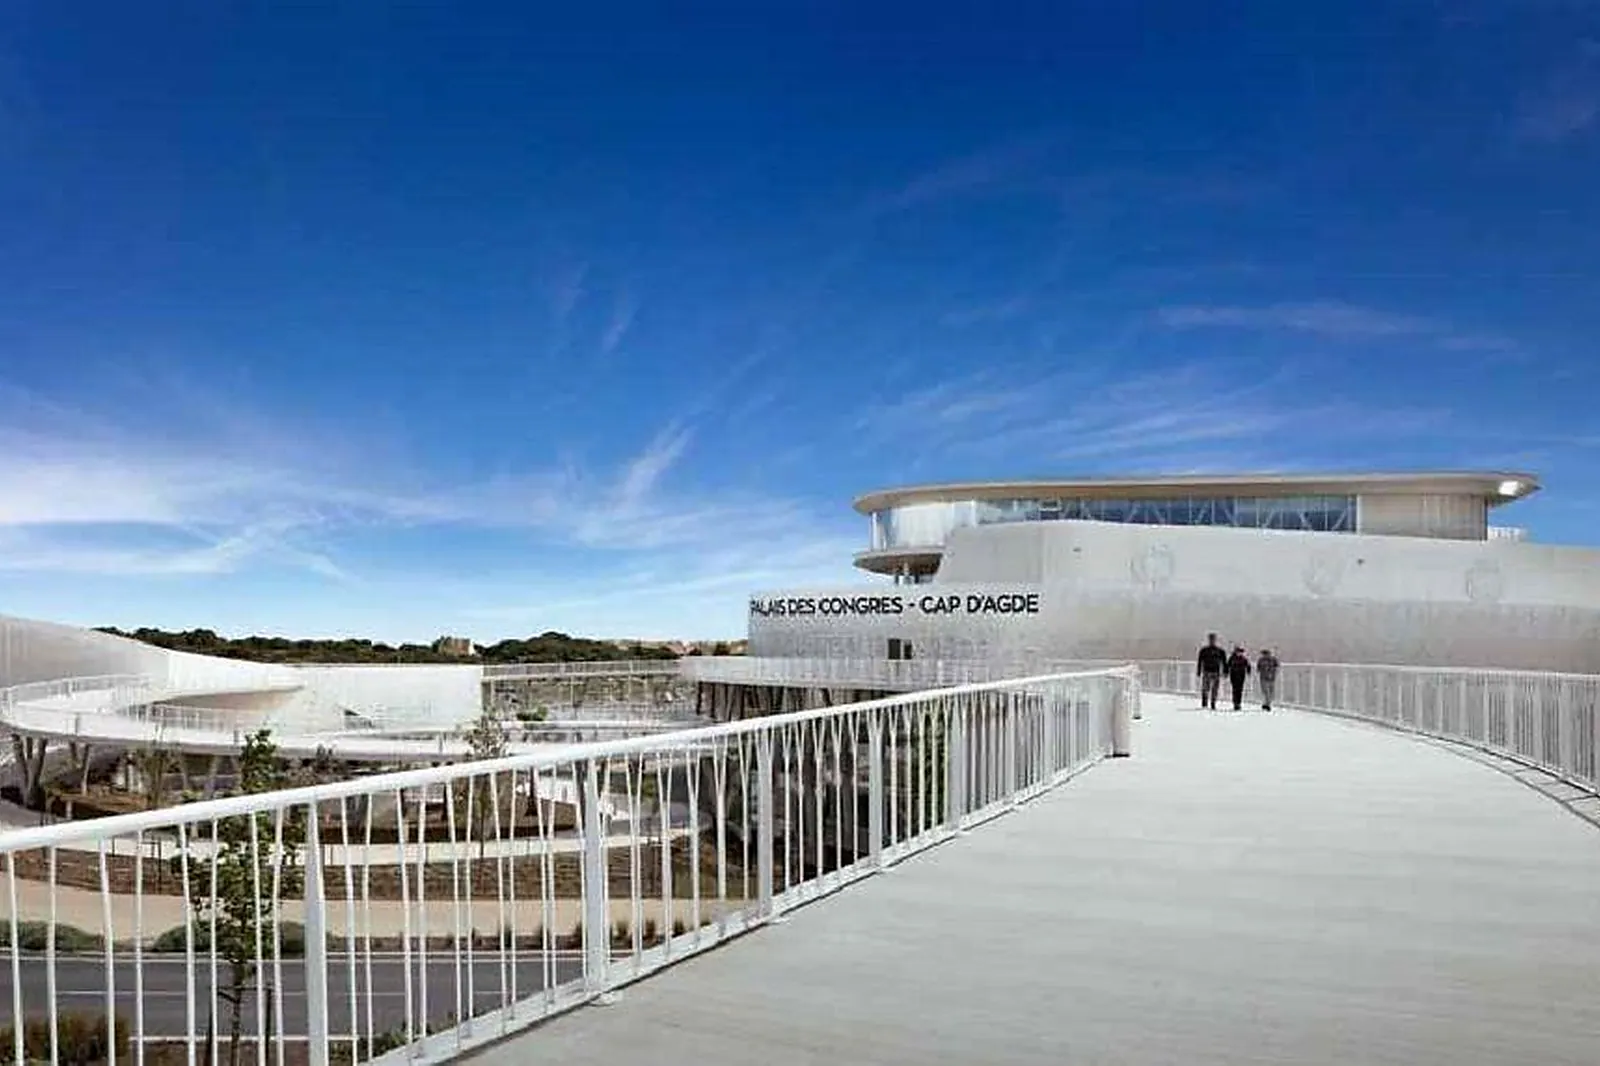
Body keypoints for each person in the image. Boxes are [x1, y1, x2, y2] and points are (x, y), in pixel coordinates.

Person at [1195, 632, 1226, 709]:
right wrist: (1198, 670)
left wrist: (1225, 671)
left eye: (1213, 639)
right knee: (1205, 688)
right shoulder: (1204, 650)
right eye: (1211, 639)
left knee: (1215, 689)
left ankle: (1213, 703)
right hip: (1206, 671)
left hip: (1216, 671)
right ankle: (1205, 702)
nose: (1212, 641)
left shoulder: (1220, 651)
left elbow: (1224, 662)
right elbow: (1200, 661)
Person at [1226, 645, 1252, 711]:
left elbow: (1248, 665)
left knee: (1240, 690)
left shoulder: (1243, 659)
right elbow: (1228, 665)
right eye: (1238, 651)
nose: (1239, 653)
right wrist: (1226, 672)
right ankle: (1235, 703)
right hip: (1234, 675)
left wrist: (1248, 671)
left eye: (1240, 652)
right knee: (1235, 689)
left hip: (1241, 675)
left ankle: (1238, 703)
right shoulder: (1232, 658)